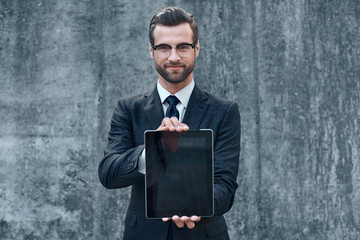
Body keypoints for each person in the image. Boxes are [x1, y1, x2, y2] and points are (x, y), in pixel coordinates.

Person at [98, 7, 240, 240]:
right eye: (164, 47)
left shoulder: (224, 111)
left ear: (197, 49)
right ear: (151, 52)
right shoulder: (128, 109)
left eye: (183, 46)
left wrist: (195, 207)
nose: (174, 57)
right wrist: (153, 151)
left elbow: (225, 185)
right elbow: (108, 173)